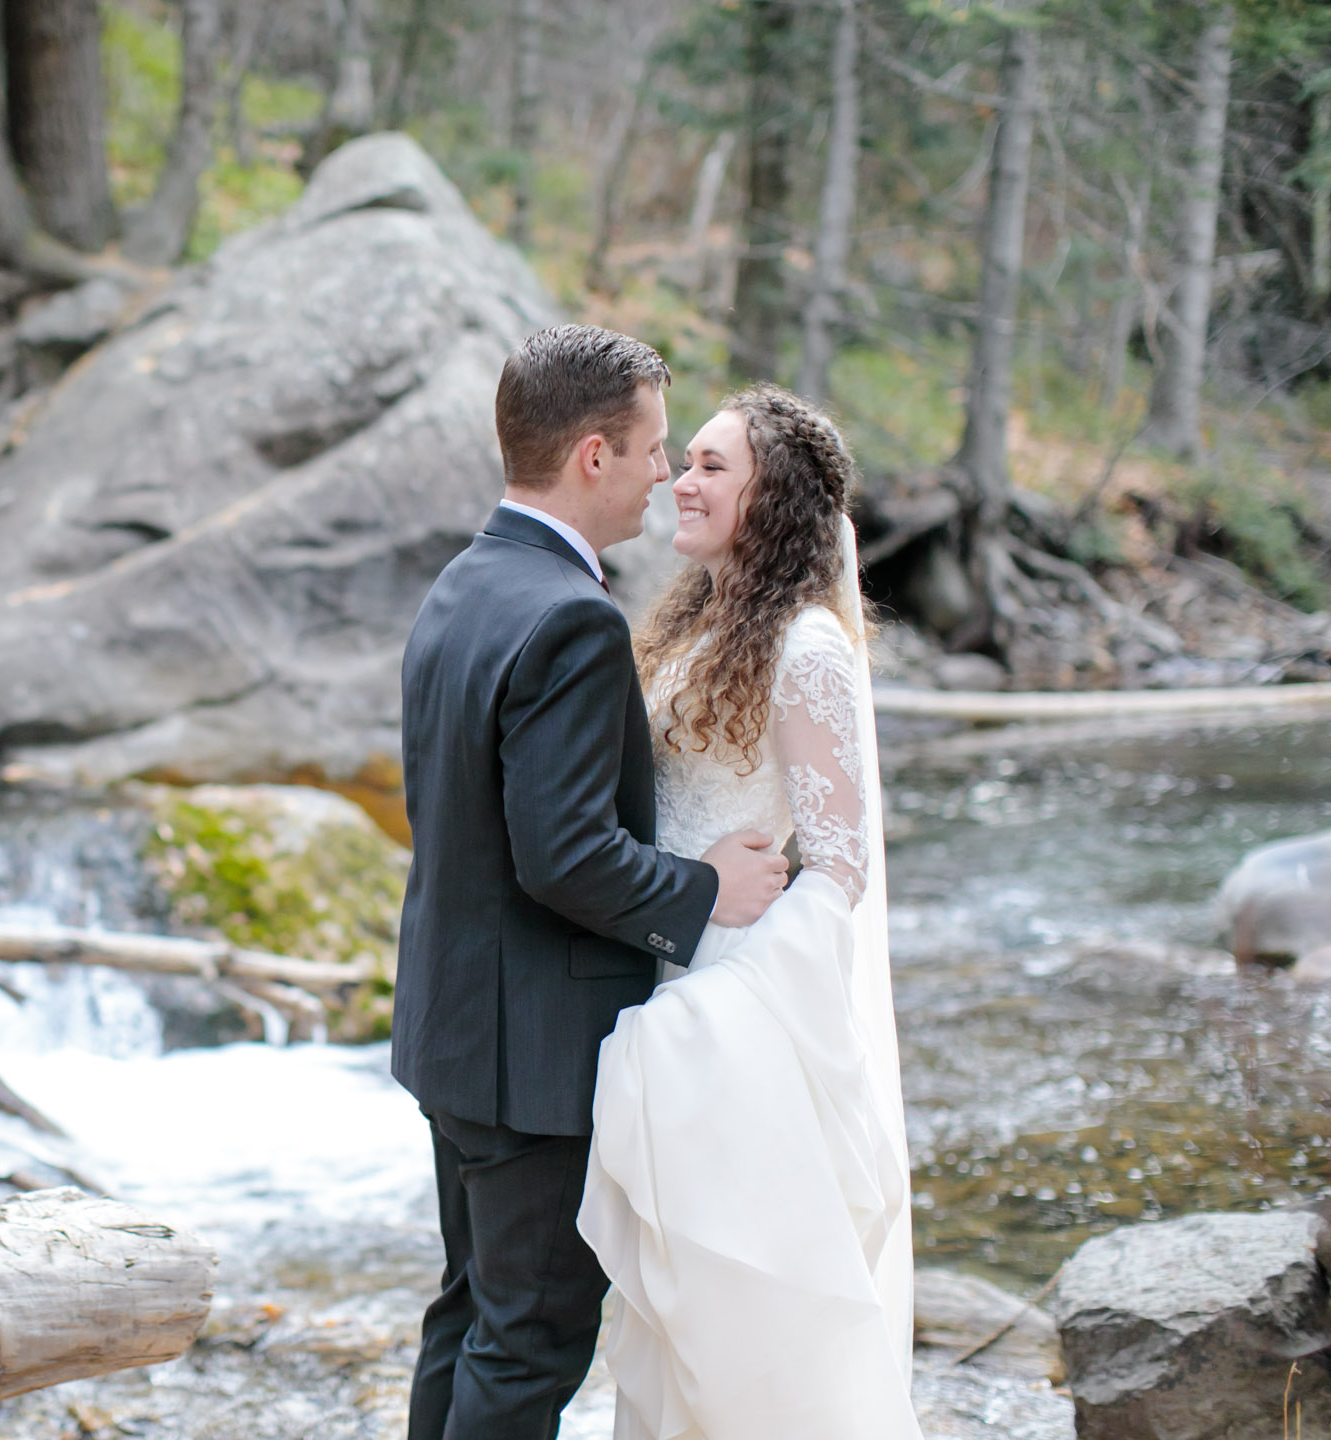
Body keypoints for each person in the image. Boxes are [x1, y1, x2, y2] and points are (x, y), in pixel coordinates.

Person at [390, 325, 791, 1440]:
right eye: (656, 448)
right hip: (534, 1062)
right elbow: (562, 854)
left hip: (451, 1032)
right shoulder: (568, 617)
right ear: (593, 458)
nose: (666, 474)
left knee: (470, 1314)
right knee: (530, 1344)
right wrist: (702, 888)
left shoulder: (466, 584)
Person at [576, 383, 920, 1439]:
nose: (684, 476)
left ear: (775, 500)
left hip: (731, 1024)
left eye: (715, 465)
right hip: (661, 967)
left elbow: (841, 868)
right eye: (690, 459)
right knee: (675, 1326)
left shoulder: (805, 647)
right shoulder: (695, 622)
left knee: (744, 1325)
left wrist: (728, 1009)